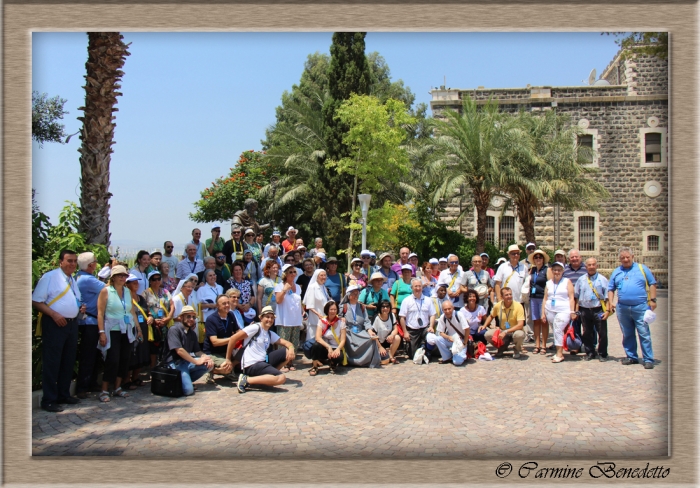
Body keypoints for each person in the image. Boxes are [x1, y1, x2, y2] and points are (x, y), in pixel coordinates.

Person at [32, 249, 86, 411]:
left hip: (71, 324)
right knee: (52, 361)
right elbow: (36, 301)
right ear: (60, 261)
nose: (72, 264)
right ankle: (49, 400)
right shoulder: (50, 277)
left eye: (75, 261)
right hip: (55, 323)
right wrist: (54, 314)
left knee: (67, 361)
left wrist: (80, 308)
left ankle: (64, 394)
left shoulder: (72, 280)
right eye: (69, 260)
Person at [95, 265, 142, 403]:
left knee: (124, 359)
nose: (123, 278)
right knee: (112, 359)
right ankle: (104, 389)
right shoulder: (106, 291)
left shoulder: (127, 291)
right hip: (112, 329)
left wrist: (138, 329)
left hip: (127, 329)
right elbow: (100, 313)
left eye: (125, 276)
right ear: (113, 277)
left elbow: (132, 311)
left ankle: (117, 387)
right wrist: (101, 332)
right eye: (120, 275)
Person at [223, 306, 296, 393]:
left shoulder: (269, 333)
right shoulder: (255, 328)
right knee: (281, 378)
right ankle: (246, 380)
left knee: (287, 352)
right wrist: (227, 359)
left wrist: (291, 349)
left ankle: (267, 376)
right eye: (267, 317)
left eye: (272, 318)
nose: (270, 320)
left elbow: (288, 344)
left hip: (262, 361)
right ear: (261, 318)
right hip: (252, 364)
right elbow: (233, 339)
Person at [607, 247, 657, 369]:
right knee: (627, 333)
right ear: (620, 259)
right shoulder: (617, 271)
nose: (625, 259)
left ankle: (648, 359)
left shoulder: (642, 268)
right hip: (622, 308)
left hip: (640, 307)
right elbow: (611, 288)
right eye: (622, 258)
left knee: (644, 333)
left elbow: (652, 283)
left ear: (632, 257)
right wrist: (610, 302)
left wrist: (653, 300)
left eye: (627, 257)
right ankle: (631, 356)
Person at [162, 305, 214, 396]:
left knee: (209, 365)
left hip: (186, 362)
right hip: (174, 363)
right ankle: (183, 383)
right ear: (181, 317)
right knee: (188, 391)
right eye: (188, 316)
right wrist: (196, 361)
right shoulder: (174, 329)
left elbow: (197, 351)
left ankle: (185, 381)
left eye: (193, 317)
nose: (191, 319)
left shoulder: (192, 333)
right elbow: (179, 351)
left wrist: (206, 357)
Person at [75, 252, 106, 399]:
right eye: (94, 261)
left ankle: (91, 382)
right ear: (90, 265)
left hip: (89, 321)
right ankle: (83, 386)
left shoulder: (81, 277)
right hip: (90, 322)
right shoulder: (88, 280)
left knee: (93, 354)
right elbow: (107, 288)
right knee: (88, 355)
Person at [575, 257, 610, 361]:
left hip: (598, 309)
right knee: (586, 332)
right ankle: (590, 352)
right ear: (586, 267)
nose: (591, 267)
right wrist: (576, 311)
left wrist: (607, 311)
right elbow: (576, 297)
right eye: (589, 265)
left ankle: (603, 353)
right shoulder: (581, 280)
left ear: (596, 266)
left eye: (593, 264)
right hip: (585, 309)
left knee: (602, 332)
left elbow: (607, 297)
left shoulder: (603, 280)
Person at [541, 261, 577, 363]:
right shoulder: (548, 283)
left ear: (562, 271)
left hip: (563, 310)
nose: (557, 272)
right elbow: (545, 298)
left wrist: (572, 311)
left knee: (558, 328)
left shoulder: (567, 281)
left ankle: (559, 354)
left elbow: (571, 297)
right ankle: (559, 350)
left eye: (559, 270)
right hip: (550, 310)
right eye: (555, 270)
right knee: (556, 330)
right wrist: (543, 313)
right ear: (552, 271)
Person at [479, 287, 526, 358]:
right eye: (506, 295)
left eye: (510, 294)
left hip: (515, 331)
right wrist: (484, 325)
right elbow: (491, 316)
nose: (509, 296)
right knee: (487, 334)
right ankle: (502, 347)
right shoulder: (498, 305)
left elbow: (520, 325)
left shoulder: (518, 306)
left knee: (519, 335)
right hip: (503, 330)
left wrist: (506, 331)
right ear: (502, 297)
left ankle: (517, 350)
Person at [202, 294, 239, 383]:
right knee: (227, 367)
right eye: (224, 304)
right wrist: (232, 339)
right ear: (217, 306)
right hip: (213, 352)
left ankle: (225, 369)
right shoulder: (211, 319)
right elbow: (215, 342)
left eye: (228, 303)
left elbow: (237, 331)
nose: (227, 305)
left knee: (244, 357)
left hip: (227, 351)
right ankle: (211, 370)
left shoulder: (231, 315)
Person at [340, 285, 380, 368]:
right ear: (349, 295)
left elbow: (366, 321)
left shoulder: (362, 307)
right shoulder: (343, 307)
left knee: (371, 339)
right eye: (353, 294)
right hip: (349, 332)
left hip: (360, 331)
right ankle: (348, 360)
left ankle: (367, 361)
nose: (356, 296)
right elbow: (339, 318)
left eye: (357, 294)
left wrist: (369, 330)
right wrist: (342, 319)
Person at [274, 264, 304, 369]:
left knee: (294, 342)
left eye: (294, 272)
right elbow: (278, 300)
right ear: (285, 274)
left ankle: (290, 362)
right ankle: (282, 363)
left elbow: (298, 301)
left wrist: (302, 311)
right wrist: (284, 290)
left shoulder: (298, 287)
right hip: (284, 319)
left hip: (295, 319)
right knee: (284, 342)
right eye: (290, 272)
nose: (293, 274)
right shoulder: (280, 286)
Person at [124, 274, 151, 389]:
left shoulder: (141, 298)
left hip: (143, 328)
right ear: (127, 284)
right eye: (133, 282)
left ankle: (135, 377)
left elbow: (147, 311)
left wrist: (150, 317)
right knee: (131, 354)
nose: (136, 284)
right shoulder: (125, 298)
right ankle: (126, 380)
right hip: (131, 328)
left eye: (137, 282)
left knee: (141, 353)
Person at [399, 278, 437, 360]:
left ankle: (427, 350)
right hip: (412, 330)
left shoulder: (428, 300)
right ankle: (419, 348)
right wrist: (405, 332)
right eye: (415, 286)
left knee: (432, 338)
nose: (418, 288)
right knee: (413, 356)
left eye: (419, 286)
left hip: (425, 329)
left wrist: (431, 326)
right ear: (411, 288)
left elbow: (432, 314)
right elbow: (402, 317)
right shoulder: (406, 301)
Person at [307, 301, 347, 376]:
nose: (333, 311)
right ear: (327, 310)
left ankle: (332, 363)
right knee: (316, 345)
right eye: (331, 309)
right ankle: (315, 366)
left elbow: (343, 340)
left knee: (339, 356)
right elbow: (318, 338)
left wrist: (338, 349)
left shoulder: (341, 322)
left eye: (335, 309)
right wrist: (328, 347)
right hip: (325, 346)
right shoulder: (322, 321)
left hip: (335, 347)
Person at [144, 270, 174, 368]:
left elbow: (172, 305)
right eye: (154, 279)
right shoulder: (145, 293)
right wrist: (152, 318)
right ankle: (153, 370)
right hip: (154, 324)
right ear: (150, 281)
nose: (157, 281)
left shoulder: (165, 291)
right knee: (154, 348)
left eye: (158, 279)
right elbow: (144, 308)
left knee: (166, 346)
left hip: (166, 322)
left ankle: (165, 367)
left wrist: (169, 317)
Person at [528, 249, 553, 354]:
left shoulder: (547, 270)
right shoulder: (532, 270)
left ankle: (544, 345)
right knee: (536, 321)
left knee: (544, 321)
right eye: (536, 257)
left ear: (543, 259)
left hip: (543, 298)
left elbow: (550, 285)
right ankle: (537, 344)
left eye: (540, 257)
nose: (538, 259)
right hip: (533, 298)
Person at [368, 300, 403, 364]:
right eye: (383, 307)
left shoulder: (392, 315)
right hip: (377, 343)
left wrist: (392, 335)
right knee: (384, 362)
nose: (385, 309)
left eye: (387, 307)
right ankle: (386, 356)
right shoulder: (376, 318)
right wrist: (380, 347)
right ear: (380, 308)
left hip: (388, 341)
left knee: (397, 337)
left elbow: (395, 329)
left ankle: (390, 356)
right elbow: (373, 335)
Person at [435, 300, 468, 365]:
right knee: (438, 339)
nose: (447, 311)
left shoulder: (459, 315)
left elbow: (467, 329)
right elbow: (441, 332)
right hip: (451, 340)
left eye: (449, 309)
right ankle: (447, 357)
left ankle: (461, 354)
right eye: (445, 309)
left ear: (453, 308)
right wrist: (448, 337)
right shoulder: (443, 317)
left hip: (460, 341)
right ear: (442, 310)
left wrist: (464, 343)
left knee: (457, 362)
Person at [303, 269, 331, 342]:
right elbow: (309, 305)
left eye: (325, 275)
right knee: (313, 341)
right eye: (321, 275)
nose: (324, 277)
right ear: (316, 277)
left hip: (324, 318)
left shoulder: (323, 287)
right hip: (315, 319)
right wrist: (319, 315)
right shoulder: (312, 287)